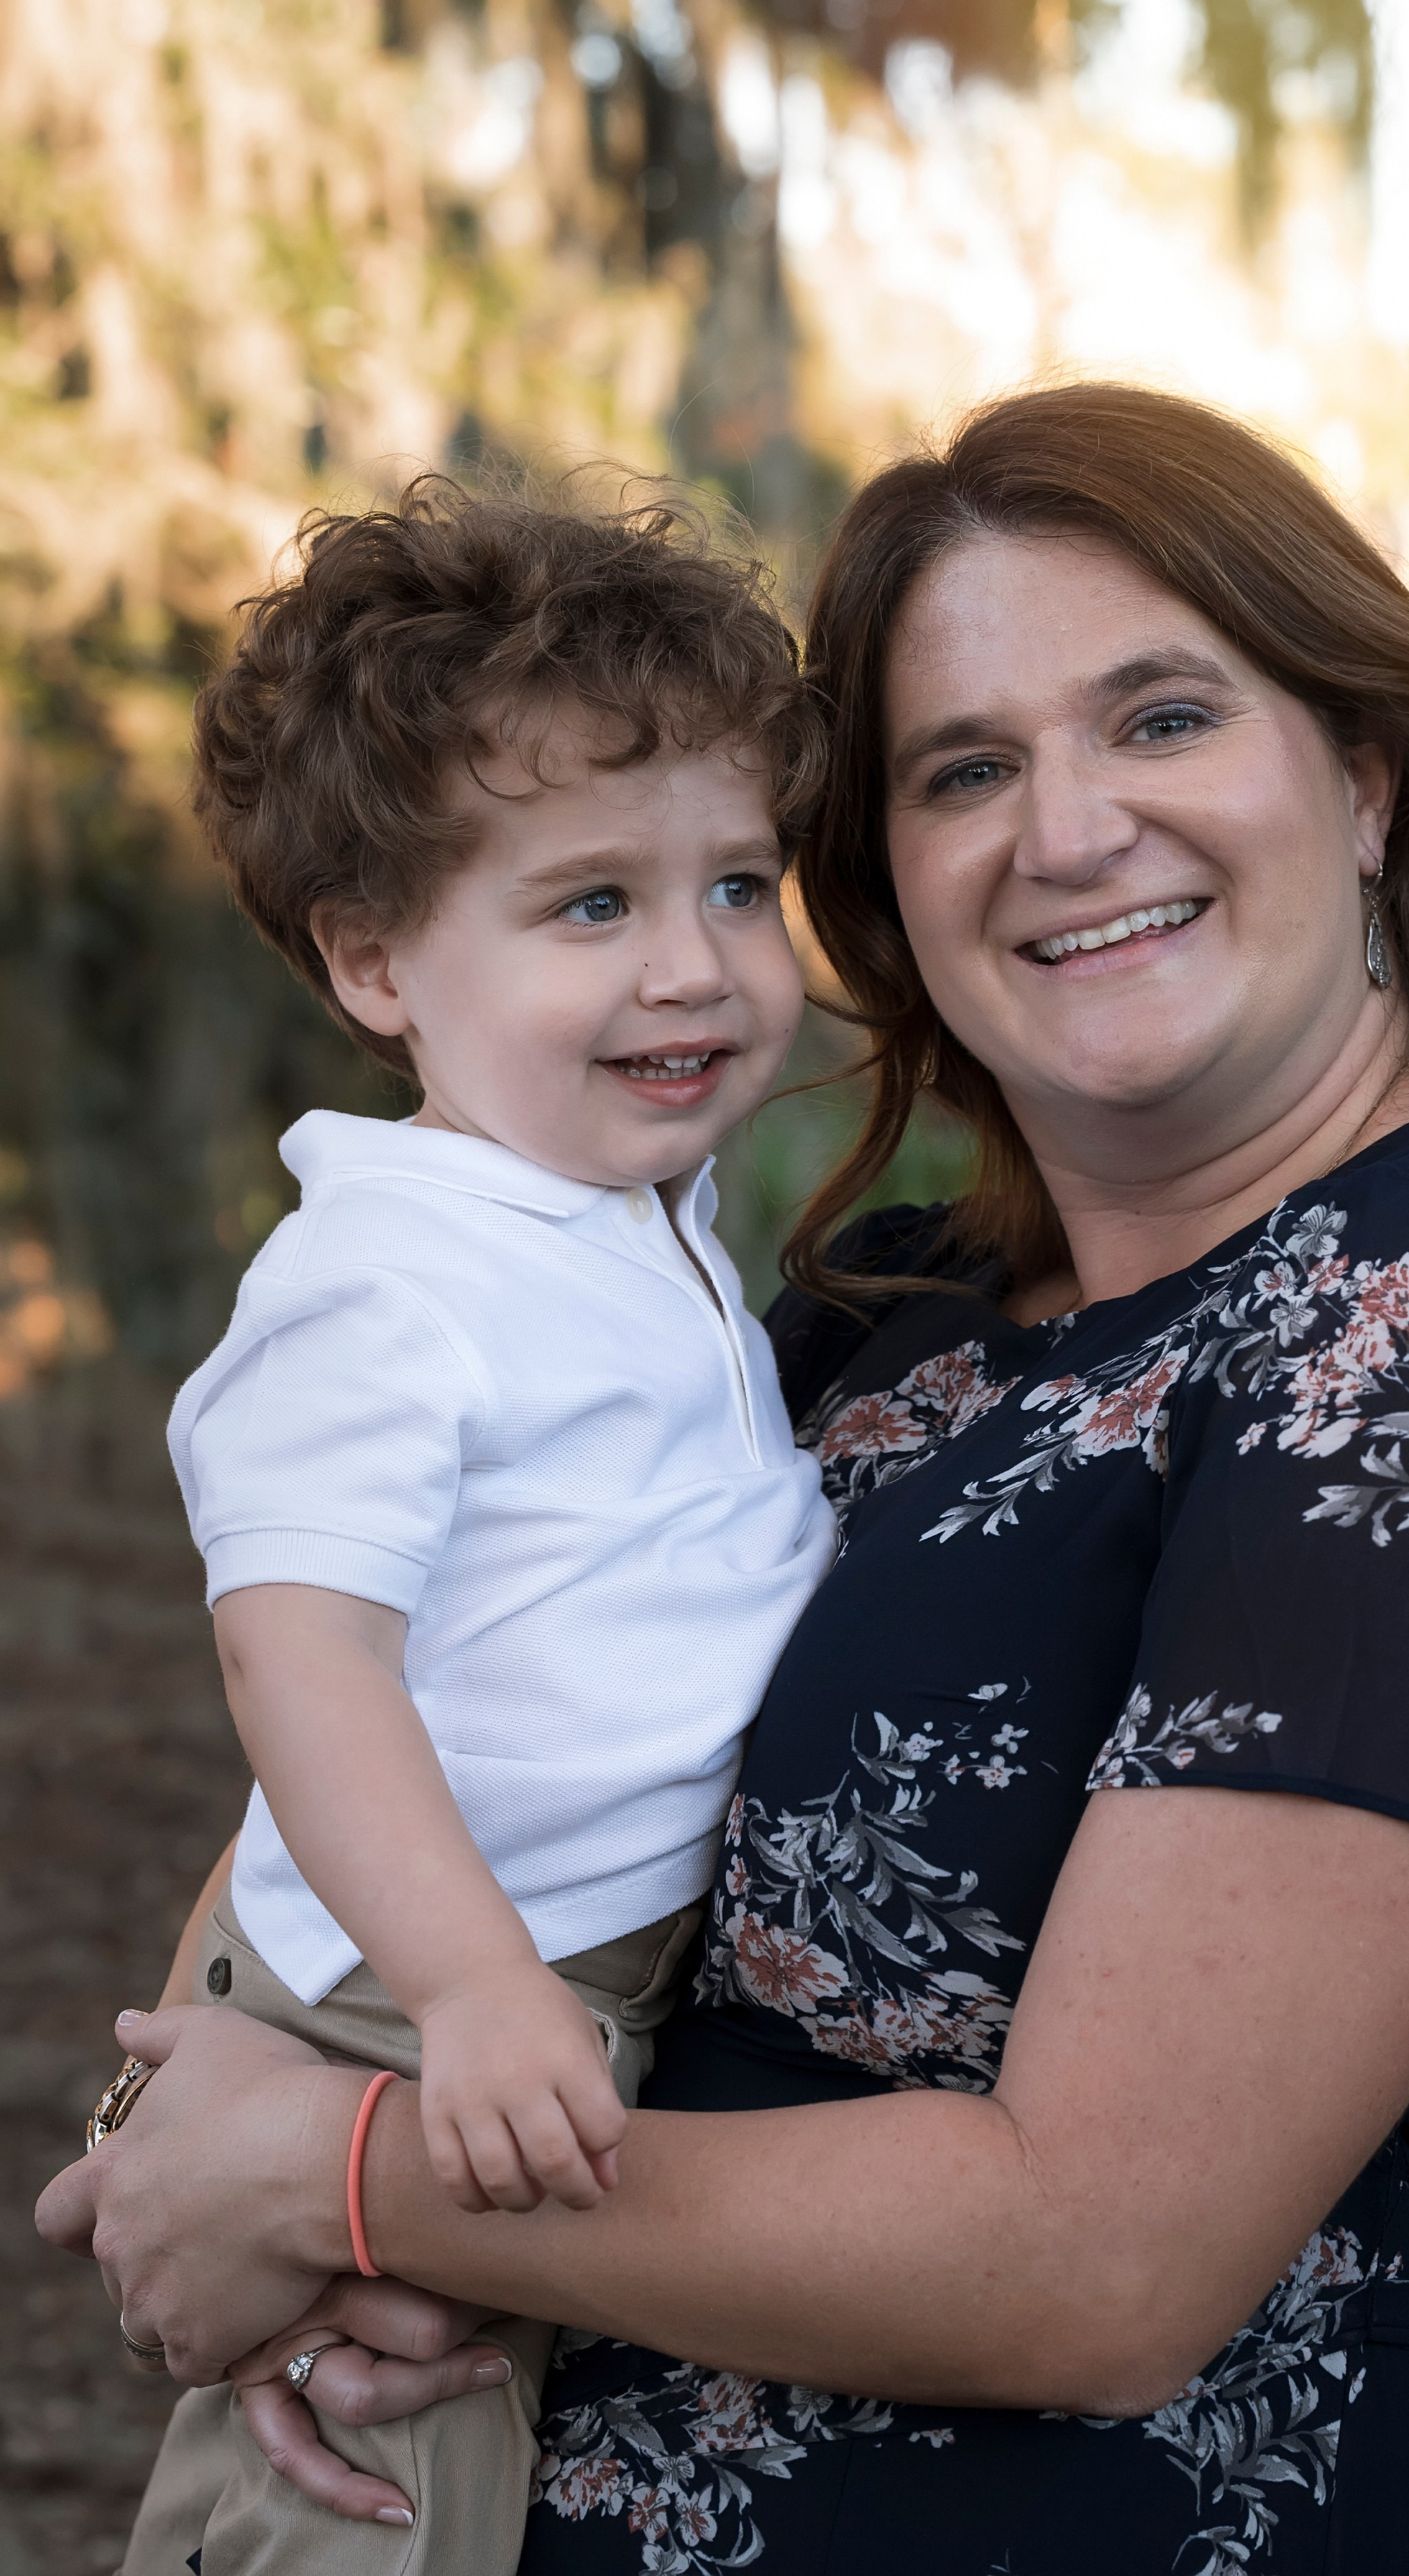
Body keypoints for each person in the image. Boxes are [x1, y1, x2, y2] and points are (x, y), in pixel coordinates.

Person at [40, 384, 1409, 2576]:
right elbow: (428, 1709)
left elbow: (1095, 2258)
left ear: (1364, 778)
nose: (1068, 829)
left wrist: (334, 2179)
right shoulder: (882, 1325)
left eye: (1160, 719)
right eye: (965, 770)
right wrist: (199, 2116)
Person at [109, 479, 837, 2570]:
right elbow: (301, 1659)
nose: (693, 965)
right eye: (589, 905)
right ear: (374, 961)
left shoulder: (624, 1211)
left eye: (738, 884)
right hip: (429, 1985)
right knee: (378, 2480)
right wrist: (472, 1990)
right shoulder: (386, 1279)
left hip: (525, 1974)